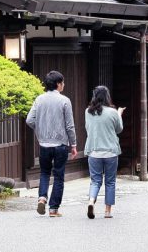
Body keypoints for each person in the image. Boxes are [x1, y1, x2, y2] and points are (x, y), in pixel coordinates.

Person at [25, 70, 77, 217]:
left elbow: (29, 120)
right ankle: (54, 209)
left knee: (44, 172)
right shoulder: (65, 101)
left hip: (44, 144)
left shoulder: (39, 99)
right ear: (58, 84)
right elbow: (70, 126)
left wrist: (40, 129)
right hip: (60, 144)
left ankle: (42, 198)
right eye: (63, 83)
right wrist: (73, 144)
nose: (64, 85)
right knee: (59, 175)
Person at [83, 85, 123, 219]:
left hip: (94, 151)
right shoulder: (112, 112)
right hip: (110, 151)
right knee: (110, 182)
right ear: (107, 97)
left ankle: (91, 202)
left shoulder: (88, 112)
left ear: (94, 96)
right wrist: (119, 114)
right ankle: (107, 211)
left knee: (95, 181)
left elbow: (88, 128)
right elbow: (119, 129)